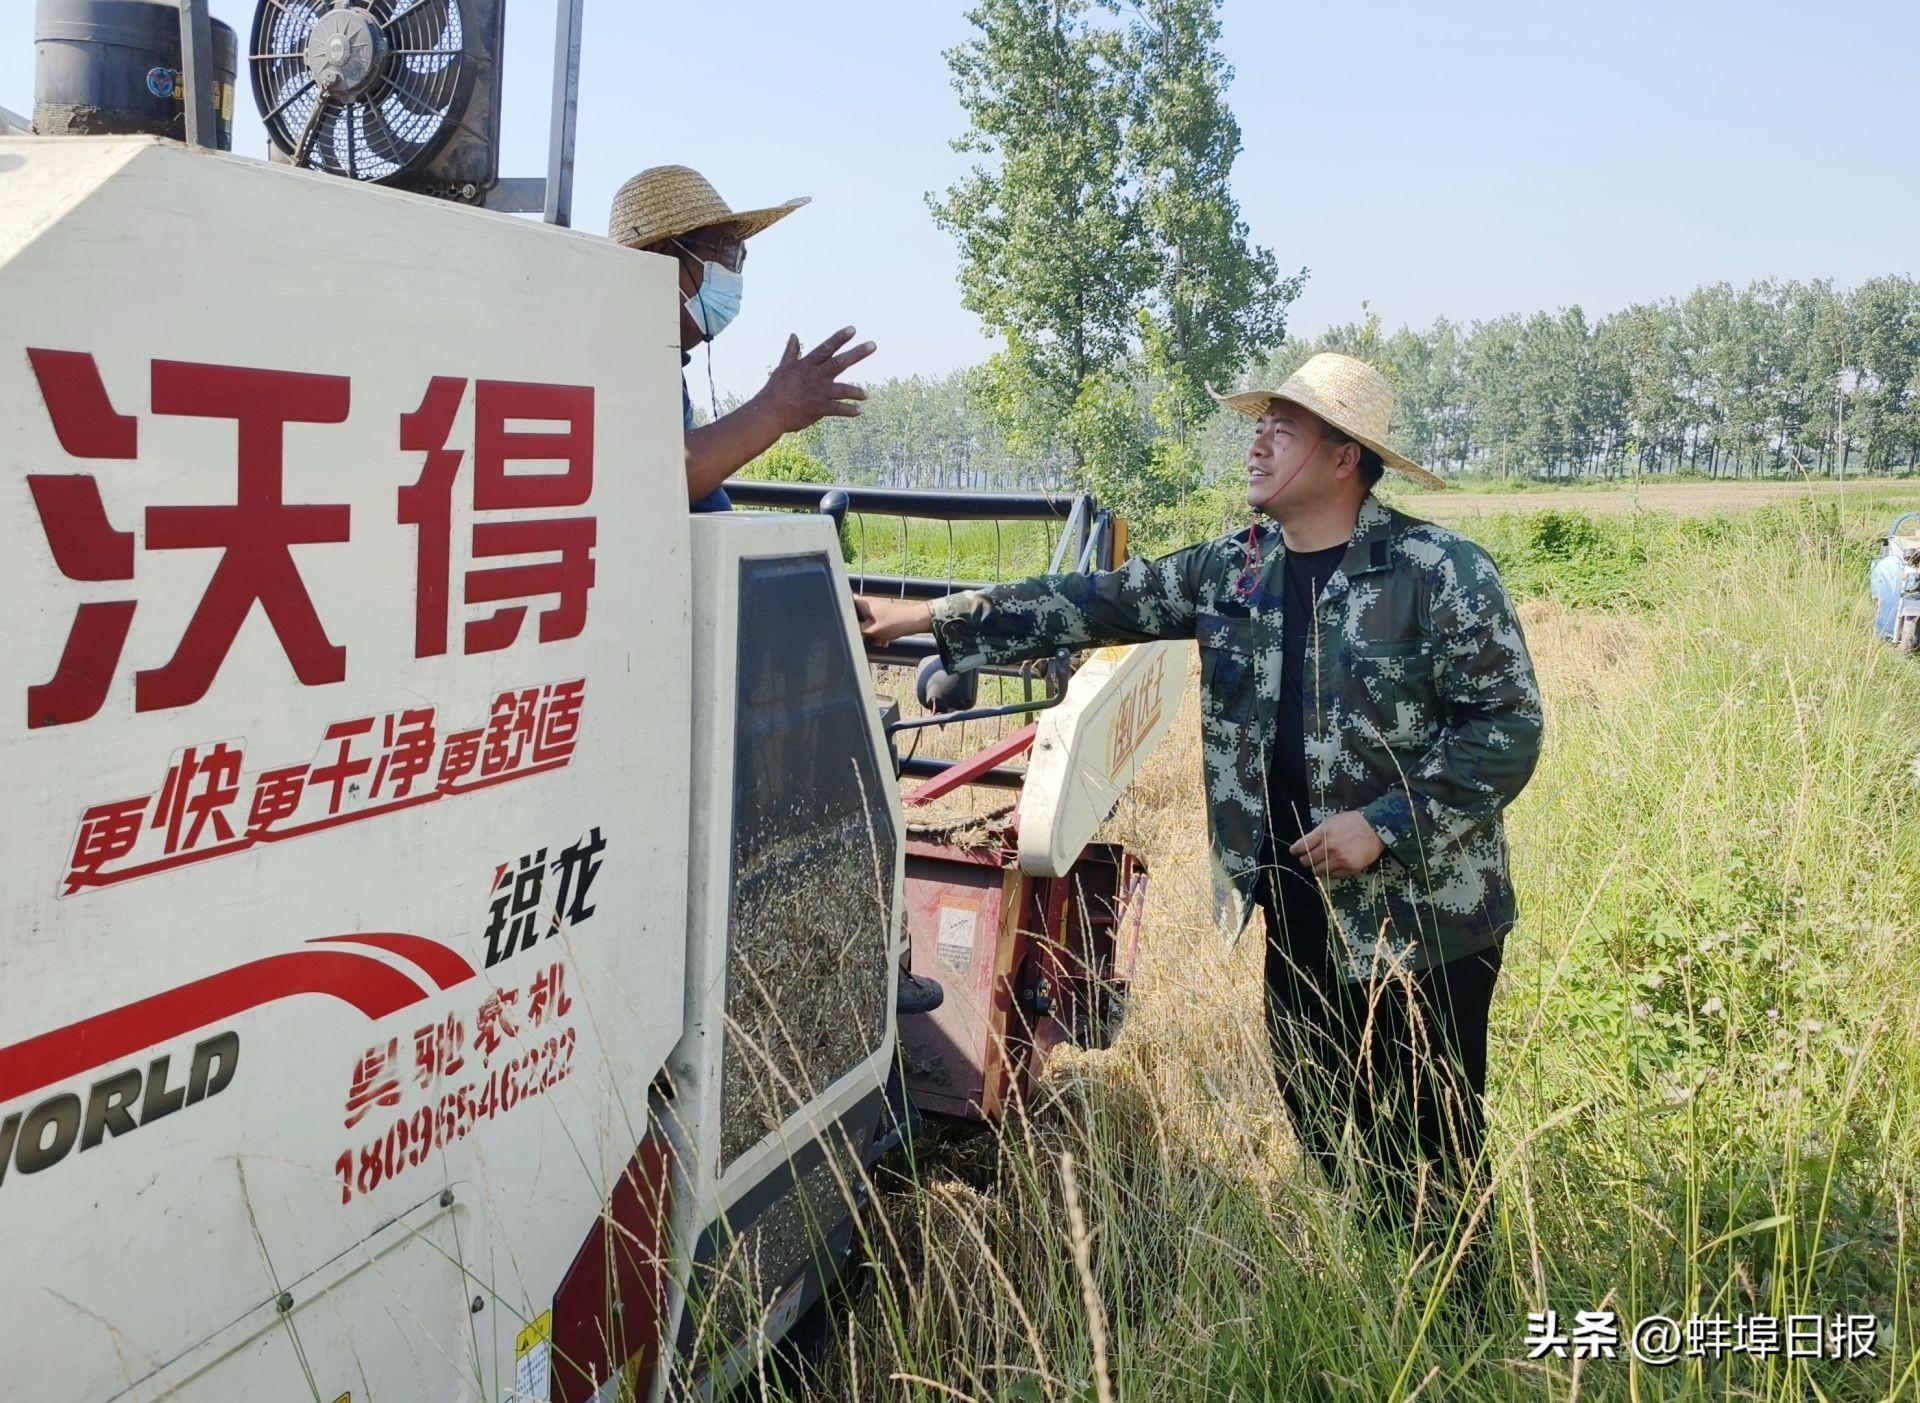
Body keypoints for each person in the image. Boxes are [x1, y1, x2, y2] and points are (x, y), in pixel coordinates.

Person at [856, 353, 1543, 1311]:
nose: (1258, 441)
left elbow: (1507, 729)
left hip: (1424, 916)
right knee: (1321, 1108)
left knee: (1428, 1133)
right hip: (1294, 899)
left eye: (1285, 427)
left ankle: (1464, 1314)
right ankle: (1389, 1296)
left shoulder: (1438, 573)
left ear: (1345, 457)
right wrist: (923, 619)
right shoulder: (1237, 569)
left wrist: (1385, 827)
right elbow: (1086, 602)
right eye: (1259, 422)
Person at [608, 165, 876, 511]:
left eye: (740, 258)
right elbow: (657, 480)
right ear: (661, 254)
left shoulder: (657, 360)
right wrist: (775, 408)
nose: (734, 274)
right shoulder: (616, 359)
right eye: (726, 252)